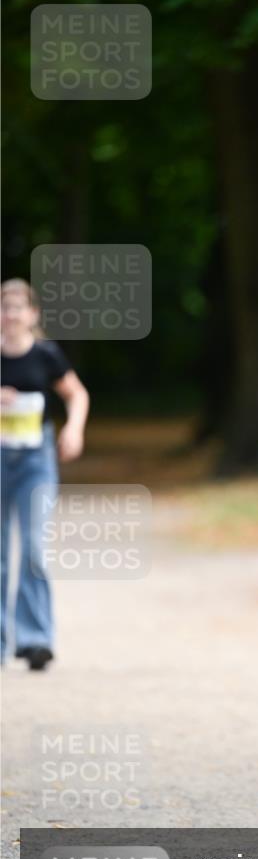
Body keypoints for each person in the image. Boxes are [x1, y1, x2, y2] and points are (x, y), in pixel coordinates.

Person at [1, 278, 89, 670]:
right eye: (4, 306)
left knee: (34, 547)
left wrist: (73, 428)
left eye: (18, 307)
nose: (10, 314)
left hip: (35, 460)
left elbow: (77, 394)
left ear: (32, 314)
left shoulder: (45, 354)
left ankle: (36, 639)